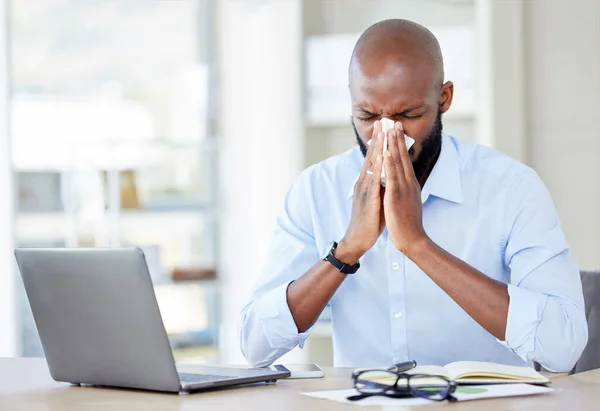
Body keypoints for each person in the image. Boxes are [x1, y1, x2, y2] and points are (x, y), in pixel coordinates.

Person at [239, 19, 588, 371]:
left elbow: (561, 349)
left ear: (444, 98)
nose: (386, 134)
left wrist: (417, 245)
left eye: (408, 115)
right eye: (367, 115)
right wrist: (346, 251)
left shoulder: (510, 187)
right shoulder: (315, 190)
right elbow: (256, 346)